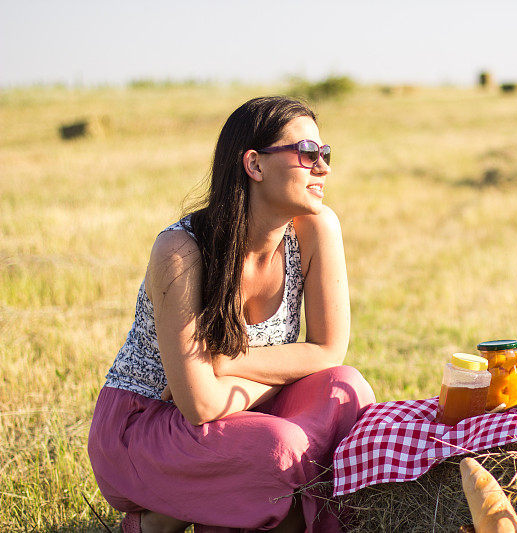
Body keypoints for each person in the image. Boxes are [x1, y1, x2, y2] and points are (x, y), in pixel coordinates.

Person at [87, 96, 375, 533]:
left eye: (326, 154)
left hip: (238, 412)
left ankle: (207, 510)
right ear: (255, 165)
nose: (324, 168)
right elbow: (199, 404)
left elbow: (329, 351)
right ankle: (164, 516)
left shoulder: (316, 228)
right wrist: (267, 379)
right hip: (146, 427)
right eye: (307, 153)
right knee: (282, 446)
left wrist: (223, 363)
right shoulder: (180, 251)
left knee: (347, 387)